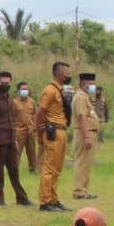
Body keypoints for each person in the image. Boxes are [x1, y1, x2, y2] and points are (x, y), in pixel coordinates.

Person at [0, 71, 30, 207]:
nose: (5, 85)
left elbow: (12, 120)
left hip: (10, 140)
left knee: (14, 170)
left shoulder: (10, 99)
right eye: (3, 82)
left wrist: (15, 139)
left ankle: (21, 198)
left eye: (8, 82)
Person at [34, 61, 71, 212]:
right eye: (67, 73)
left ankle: (54, 199)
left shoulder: (59, 90)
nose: (69, 76)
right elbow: (41, 112)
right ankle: (44, 201)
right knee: (49, 167)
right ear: (60, 74)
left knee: (57, 168)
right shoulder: (50, 90)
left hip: (61, 130)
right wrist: (39, 131)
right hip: (53, 131)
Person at [71, 72, 99, 201]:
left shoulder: (86, 97)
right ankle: (79, 190)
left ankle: (84, 189)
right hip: (84, 133)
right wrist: (87, 136)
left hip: (89, 132)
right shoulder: (81, 97)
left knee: (87, 163)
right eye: (91, 84)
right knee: (82, 162)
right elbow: (81, 117)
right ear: (84, 84)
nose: (94, 87)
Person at [13, 81, 38, 175]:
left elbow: (34, 114)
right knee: (17, 151)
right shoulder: (14, 102)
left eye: (26, 89)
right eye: (23, 89)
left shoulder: (31, 101)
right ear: (18, 90)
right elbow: (11, 116)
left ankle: (32, 169)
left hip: (30, 129)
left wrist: (35, 125)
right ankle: (15, 170)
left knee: (32, 151)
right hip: (19, 130)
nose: (25, 91)